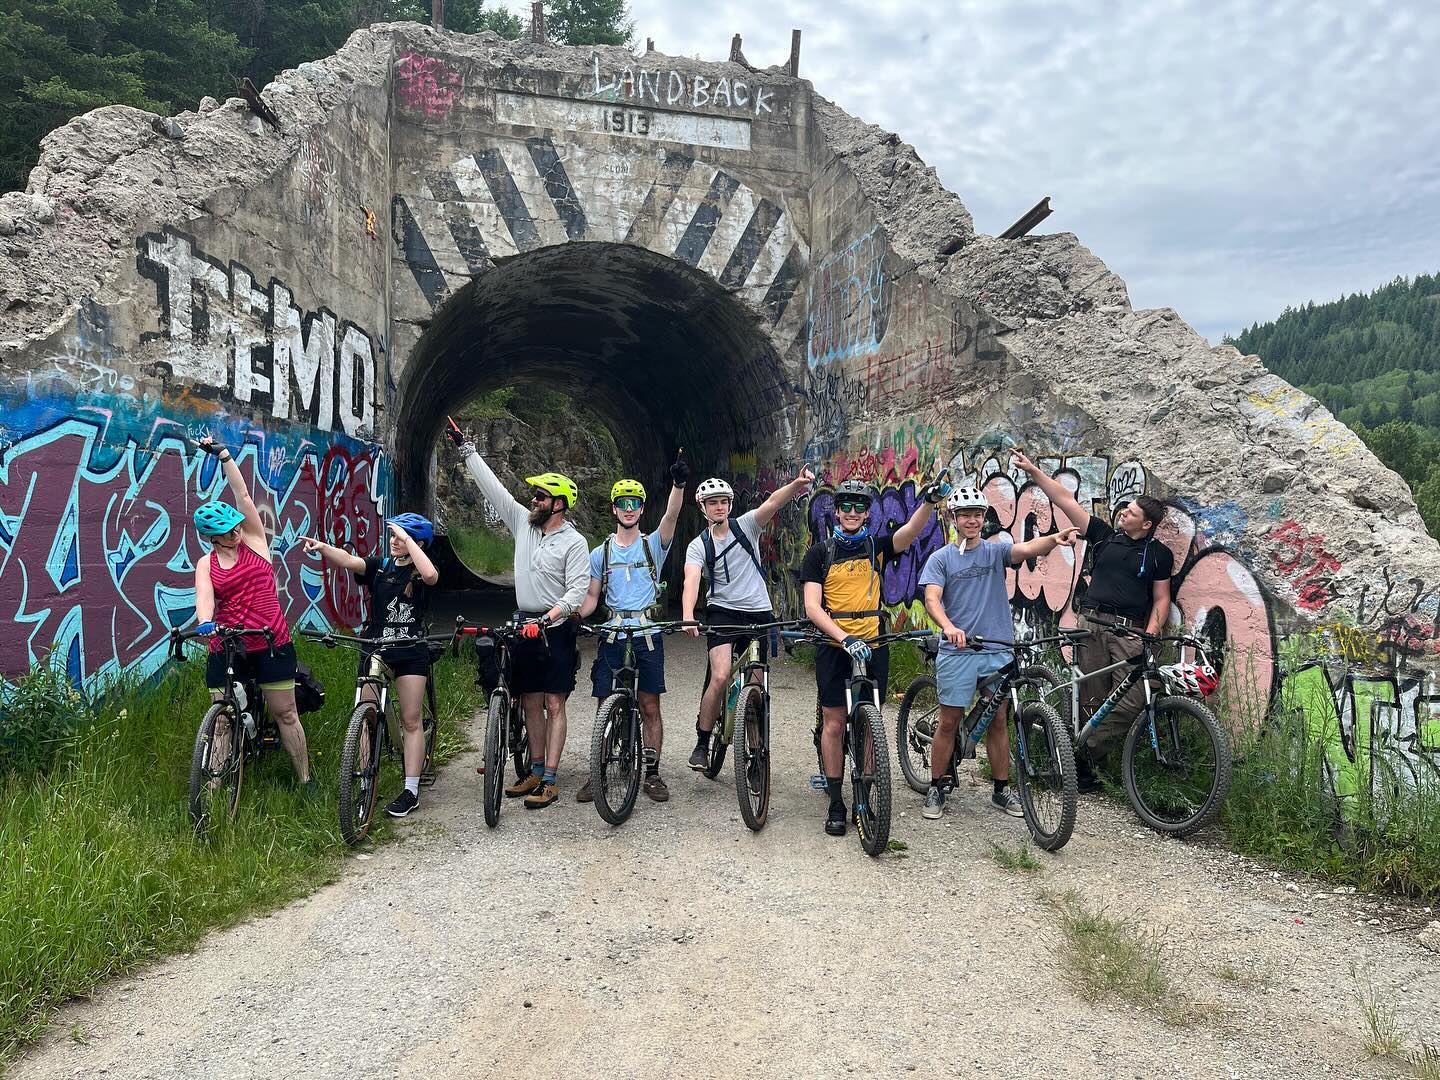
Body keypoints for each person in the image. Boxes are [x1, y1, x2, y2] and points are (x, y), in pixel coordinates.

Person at [1009, 450, 1174, 791]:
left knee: (1136, 696)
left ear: (1146, 524)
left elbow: (1161, 599)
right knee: (1092, 698)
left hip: (1130, 631)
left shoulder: (1159, 554)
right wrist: (1033, 471)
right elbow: (1065, 499)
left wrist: (1150, 636)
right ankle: (1080, 769)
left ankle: (1082, 750)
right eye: (1124, 509)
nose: (1122, 514)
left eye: (1130, 513)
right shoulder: (1103, 535)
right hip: (1092, 625)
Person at [447, 418, 589, 809]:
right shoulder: (523, 526)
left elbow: (577, 590)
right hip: (524, 620)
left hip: (555, 628)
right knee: (529, 701)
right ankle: (534, 770)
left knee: (554, 703)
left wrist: (553, 616)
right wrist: (466, 448)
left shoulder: (574, 542)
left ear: (558, 504)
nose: (533, 501)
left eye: (540, 497)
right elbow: (494, 490)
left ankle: (552, 779)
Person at [918, 486, 1078, 819]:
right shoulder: (941, 558)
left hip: (996, 650)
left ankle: (1001, 791)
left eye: (977, 514)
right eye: (965, 515)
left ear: (983, 518)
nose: (972, 520)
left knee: (998, 721)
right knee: (949, 723)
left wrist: (1053, 540)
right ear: (953, 519)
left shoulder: (994, 552)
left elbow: (1026, 548)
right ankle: (935, 786)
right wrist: (948, 626)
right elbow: (932, 598)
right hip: (958, 650)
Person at [800, 475, 948, 836]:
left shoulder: (875, 547)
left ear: (867, 513)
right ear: (836, 512)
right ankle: (836, 801)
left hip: (874, 644)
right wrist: (844, 637)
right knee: (834, 722)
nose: (852, 512)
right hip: (835, 646)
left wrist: (928, 500)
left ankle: (865, 786)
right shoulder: (819, 554)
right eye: (846, 506)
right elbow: (812, 607)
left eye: (859, 507)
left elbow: (911, 532)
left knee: (871, 724)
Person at [191, 436, 315, 792]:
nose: (237, 532)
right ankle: (212, 790)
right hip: (228, 645)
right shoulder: (206, 563)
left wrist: (224, 455)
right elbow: (205, 598)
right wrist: (205, 623)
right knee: (222, 721)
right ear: (214, 538)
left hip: (270, 641)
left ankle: (305, 779)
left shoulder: (256, 544)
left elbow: (243, 496)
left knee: (285, 713)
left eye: (237, 526)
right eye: (229, 532)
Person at [301, 514, 439, 817]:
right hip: (375, 646)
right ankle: (364, 779)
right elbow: (351, 562)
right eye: (392, 536)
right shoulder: (382, 567)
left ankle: (411, 789)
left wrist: (411, 542)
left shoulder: (421, 572)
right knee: (363, 712)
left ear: (416, 544)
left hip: (410, 650)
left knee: (411, 719)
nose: (393, 541)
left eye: (400, 538)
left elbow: (430, 574)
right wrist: (323, 547)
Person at [681, 465, 815, 771]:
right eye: (712, 502)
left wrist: (796, 483)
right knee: (720, 675)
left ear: (729, 504)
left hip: (757, 611)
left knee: (756, 687)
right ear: (702, 507)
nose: (719, 506)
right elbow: (691, 580)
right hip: (722, 612)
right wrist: (688, 614)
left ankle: (756, 756)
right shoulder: (699, 544)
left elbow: (772, 503)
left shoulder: (747, 526)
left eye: (723, 501)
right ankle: (702, 741)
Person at [576, 460, 687, 803]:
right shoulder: (601, 553)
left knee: (649, 705)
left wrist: (678, 485)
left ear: (641, 509)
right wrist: (570, 617)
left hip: (647, 635)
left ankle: (651, 773)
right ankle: (599, 771)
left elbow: (670, 517)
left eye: (634, 503)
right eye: (622, 504)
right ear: (614, 509)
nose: (628, 509)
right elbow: (593, 597)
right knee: (603, 702)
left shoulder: (654, 544)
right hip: (613, 635)